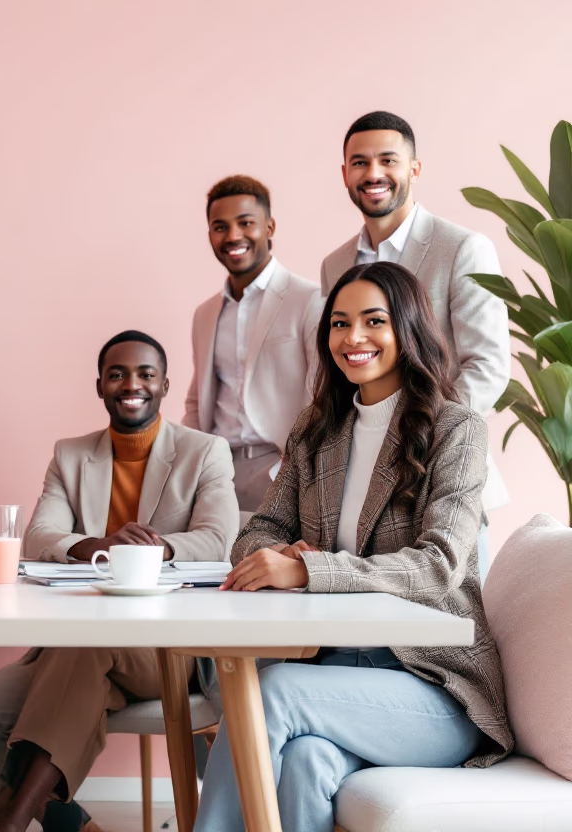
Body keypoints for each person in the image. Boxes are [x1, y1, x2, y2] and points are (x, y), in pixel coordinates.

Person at [193, 262, 513, 832]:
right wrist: (283, 555)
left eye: (373, 321)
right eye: (339, 324)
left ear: (407, 328)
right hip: (336, 673)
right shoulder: (317, 429)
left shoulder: (455, 430)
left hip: (433, 687)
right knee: (306, 763)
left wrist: (310, 572)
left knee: (272, 690)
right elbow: (258, 532)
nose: (353, 338)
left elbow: (438, 565)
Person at [0, 331, 239, 832]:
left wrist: (152, 549)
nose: (132, 384)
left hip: (169, 650)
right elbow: (40, 537)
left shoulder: (205, 451)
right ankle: (74, 826)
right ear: (99, 385)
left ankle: (11, 820)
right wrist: (102, 545)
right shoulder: (71, 454)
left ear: (165, 385)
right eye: (118, 373)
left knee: (84, 643)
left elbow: (217, 541)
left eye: (145, 374)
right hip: (78, 651)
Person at [321, 110, 511, 561]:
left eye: (388, 160)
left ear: (414, 168)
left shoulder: (463, 248)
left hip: (440, 478)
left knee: (446, 625)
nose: (373, 173)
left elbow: (487, 367)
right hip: (356, 485)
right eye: (359, 162)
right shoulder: (335, 264)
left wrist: (421, 434)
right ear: (345, 173)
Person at [184, 176, 322, 512]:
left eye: (246, 223)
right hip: (218, 472)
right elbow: (196, 402)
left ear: (270, 226)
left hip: (281, 467)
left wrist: (290, 470)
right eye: (220, 227)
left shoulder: (309, 300)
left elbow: (321, 394)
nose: (233, 236)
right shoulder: (205, 314)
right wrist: (189, 471)